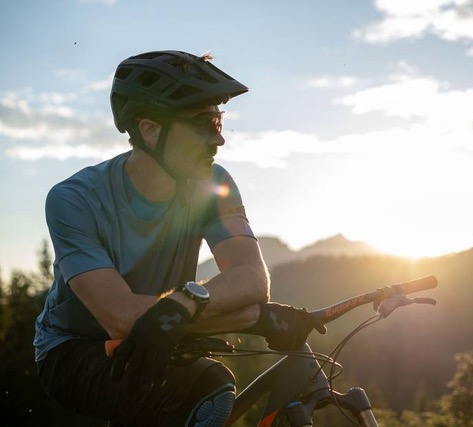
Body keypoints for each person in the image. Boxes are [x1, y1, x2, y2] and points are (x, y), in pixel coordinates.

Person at [33, 50, 325, 426]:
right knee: (209, 386)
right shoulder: (73, 199)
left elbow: (252, 279)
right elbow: (121, 319)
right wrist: (253, 318)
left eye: (217, 121)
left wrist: (182, 307)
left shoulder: (213, 183)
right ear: (150, 129)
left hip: (165, 338)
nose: (217, 140)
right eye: (202, 124)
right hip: (76, 352)